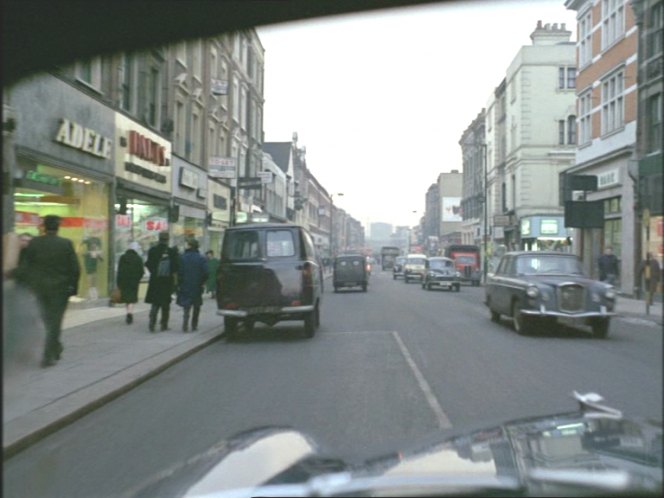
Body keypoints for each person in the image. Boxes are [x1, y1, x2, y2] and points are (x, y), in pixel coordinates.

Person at [17, 215, 81, 367]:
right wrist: (73, 288)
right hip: (60, 289)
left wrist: (22, 283)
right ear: (58, 227)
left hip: (39, 288)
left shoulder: (34, 244)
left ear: (43, 227)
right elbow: (75, 269)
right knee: (55, 321)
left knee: (45, 320)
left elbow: (26, 267)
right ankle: (49, 353)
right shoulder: (65, 244)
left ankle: (53, 348)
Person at [145, 231, 179, 332]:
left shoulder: (153, 250)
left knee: (155, 302)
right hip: (166, 281)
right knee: (165, 304)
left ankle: (152, 321)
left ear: (159, 239)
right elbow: (176, 267)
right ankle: (164, 324)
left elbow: (148, 263)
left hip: (155, 280)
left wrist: (154, 272)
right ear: (168, 240)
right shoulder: (171, 252)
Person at [177, 239, 208, 332]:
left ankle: (185, 324)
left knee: (186, 306)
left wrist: (180, 283)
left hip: (185, 284)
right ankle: (194, 325)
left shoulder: (182, 257)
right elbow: (206, 272)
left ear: (190, 246)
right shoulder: (201, 258)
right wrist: (202, 282)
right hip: (197, 285)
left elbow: (179, 272)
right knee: (196, 306)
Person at [117, 241, 145, 324]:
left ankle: (128, 312)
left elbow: (120, 270)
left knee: (126, 298)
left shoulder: (122, 257)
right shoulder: (138, 258)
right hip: (133, 281)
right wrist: (137, 278)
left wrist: (119, 281)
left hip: (124, 281)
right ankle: (130, 312)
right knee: (131, 298)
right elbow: (141, 271)